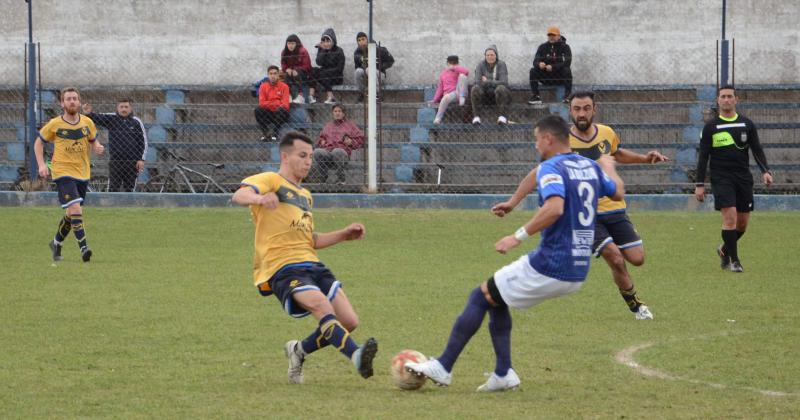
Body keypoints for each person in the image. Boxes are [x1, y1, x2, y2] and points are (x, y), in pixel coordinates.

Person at [406, 115, 624, 392]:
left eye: (536, 139)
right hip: (578, 266)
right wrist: (609, 166)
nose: (535, 146)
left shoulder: (553, 168)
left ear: (548, 138)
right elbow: (616, 191)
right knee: (497, 298)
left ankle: (444, 366)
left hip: (551, 263)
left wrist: (516, 236)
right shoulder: (587, 166)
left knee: (480, 295)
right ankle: (503, 374)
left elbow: (555, 208)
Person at [493, 91, 668, 320]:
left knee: (637, 258)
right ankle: (636, 305)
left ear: (594, 109)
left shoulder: (606, 133)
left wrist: (644, 159)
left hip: (615, 209)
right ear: (570, 111)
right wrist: (513, 202)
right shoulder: (562, 141)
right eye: (577, 109)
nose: (581, 113)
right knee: (614, 257)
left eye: (586, 108)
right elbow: (538, 173)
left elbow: (616, 154)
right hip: (585, 215)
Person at [231, 131, 378, 384]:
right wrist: (259, 198)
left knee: (349, 321)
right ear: (284, 156)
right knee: (322, 307)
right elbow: (239, 195)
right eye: (302, 155)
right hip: (283, 268)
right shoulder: (271, 180)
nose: (308, 161)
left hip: (312, 264)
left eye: (310, 156)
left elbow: (309, 240)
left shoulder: (306, 196)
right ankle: (356, 355)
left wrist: (344, 235)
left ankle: (298, 351)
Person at [695, 85, 772, 272]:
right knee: (730, 217)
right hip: (721, 178)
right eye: (723, 96)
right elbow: (703, 157)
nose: (727, 100)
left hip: (743, 178)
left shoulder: (746, 124)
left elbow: (757, 149)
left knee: (742, 223)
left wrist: (766, 171)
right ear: (718, 101)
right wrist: (699, 184)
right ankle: (735, 261)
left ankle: (724, 249)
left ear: (736, 100)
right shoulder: (710, 127)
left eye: (730, 96)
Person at [34, 87, 104, 262]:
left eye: (74, 98)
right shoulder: (55, 124)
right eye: (68, 99)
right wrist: (42, 165)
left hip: (83, 172)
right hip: (62, 171)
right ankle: (84, 249)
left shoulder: (87, 122)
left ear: (79, 102)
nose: (72, 101)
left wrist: (97, 147)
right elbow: (38, 143)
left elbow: (94, 140)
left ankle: (56, 243)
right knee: (76, 209)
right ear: (62, 103)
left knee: (71, 213)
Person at [82, 99, 148, 192]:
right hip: (115, 161)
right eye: (121, 107)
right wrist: (89, 113)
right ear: (117, 108)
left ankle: (128, 206)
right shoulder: (112, 119)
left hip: (132, 162)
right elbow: (98, 117)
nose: (124, 109)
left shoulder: (136, 122)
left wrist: (141, 159)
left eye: (126, 107)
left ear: (130, 108)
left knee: (129, 189)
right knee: (113, 188)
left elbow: (143, 142)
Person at [309, 104, 364, 184]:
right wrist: (322, 141)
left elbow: (361, 138)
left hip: (342, 154)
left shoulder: (350, 125)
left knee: (337, 151)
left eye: (339, 111)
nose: (337, 113)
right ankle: (323, 177)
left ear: (343, 114)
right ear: (332, 113)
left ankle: (341, 179)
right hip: (328, 153)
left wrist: (351, 142)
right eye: (335, 111)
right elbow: (321, 138)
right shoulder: (328, 126)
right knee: (317, 152)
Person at [528, 26, 572, 105]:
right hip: (546, 77)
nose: (551, 37)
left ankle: (567, 96)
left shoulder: (565, 47)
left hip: (560, 78)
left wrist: (553, 67)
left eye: (553, 35)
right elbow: (535, 61)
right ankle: (536, 96)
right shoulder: (542, 47)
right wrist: (539, 64)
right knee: (533, 71)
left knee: (567, 70)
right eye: (549, 35)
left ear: (558, 36)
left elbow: (567, 62)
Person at [470, 45, 511, 125]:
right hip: (485, 95)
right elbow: (478, 82)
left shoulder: (501, 64)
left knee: (501, 88)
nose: (490, 57)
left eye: (492, 55)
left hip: (500, 96)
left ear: (496, 55)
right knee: (475, 88)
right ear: (485, 56)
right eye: (487, 55)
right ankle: (476, 117)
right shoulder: (480, 65)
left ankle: (502, 117)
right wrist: (494, 82)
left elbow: (504, 82)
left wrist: (487, 81)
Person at [354, 32, 395, 102]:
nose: (361, 42)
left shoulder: (379, 50)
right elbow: (357, 67)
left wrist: (380, 67)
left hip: (379, 75)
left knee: (369, 69)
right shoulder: (357, 53)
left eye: (363, 39)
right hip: (366, 77)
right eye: (359, 40)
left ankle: (377, 94)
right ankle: (362, 93)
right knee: (358, 71)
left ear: (368, 40)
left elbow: (391, 61)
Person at [254, 65, 290, 142]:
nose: (273, 76)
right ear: (268, 75)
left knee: (282, 110)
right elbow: (261, 103)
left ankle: (275, 133)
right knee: (258, 110)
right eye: (271, 74)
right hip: (269, 114)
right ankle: (265, 133)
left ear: (278, 75)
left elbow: (285, 104)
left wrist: (269, 103)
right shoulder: (263, 86)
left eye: (275, 73)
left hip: (280, 115)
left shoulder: (284, 86)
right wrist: (277, 102)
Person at [309, 28, 345, 105]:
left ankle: (330, 96)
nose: (326, 43)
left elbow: (339, 69)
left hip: (336, 77)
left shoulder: (339, 51)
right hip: (324, 76)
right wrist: (323, 51)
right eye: (324, 41)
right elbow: (318, 62)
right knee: (313, 70)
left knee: (323, 73)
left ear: (333, 41)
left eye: (328, 41)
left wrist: (325, 72)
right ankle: (311, 96)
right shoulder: (322, 50)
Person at [431, 55, 470, 125]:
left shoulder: (459, 70)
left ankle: (462, 97)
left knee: (462, 76)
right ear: (448, 63)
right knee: (445, 97)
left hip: (460, 91)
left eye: (455, 63)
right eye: (451, 63)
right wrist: (435, 100)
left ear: (458, 63)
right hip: (451, 95)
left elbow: (466, 72)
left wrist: (455, 68)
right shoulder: (443, 74)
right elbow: (440, 88)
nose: (453, 65)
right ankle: (438, 118)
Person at [281, 34, 312, 104]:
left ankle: (300, 96)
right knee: (286, 75)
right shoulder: (284, 52)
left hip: (304, 74)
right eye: (288, 43)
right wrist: (286, 69)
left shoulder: (303, 51)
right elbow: (283, 65)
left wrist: (296, 69)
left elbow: (307, 66)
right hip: (291, 73)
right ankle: (288, 95)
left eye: (292, 43)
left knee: (296, 73)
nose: (290, 45)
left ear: (296, 44)